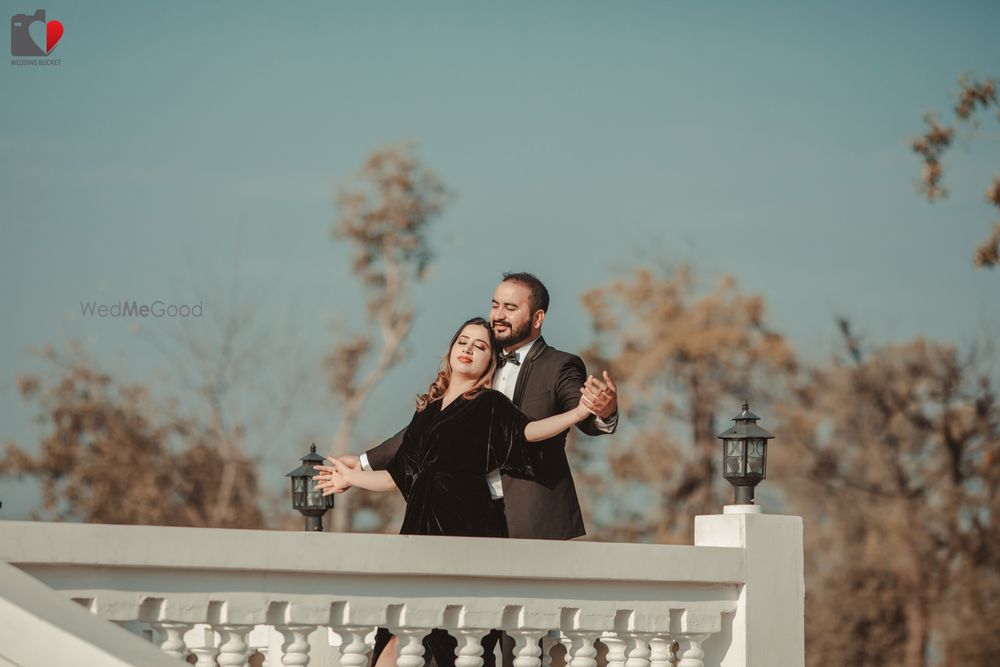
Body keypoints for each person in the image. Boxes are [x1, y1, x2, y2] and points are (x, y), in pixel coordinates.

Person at [314, 316, 600, 667]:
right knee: (391, 643)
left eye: (480, 346)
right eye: (463, 341)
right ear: (451, 350)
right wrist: (351, 478)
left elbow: (529, 432)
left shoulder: (489, 404)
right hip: (418, 536)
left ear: (489, 362)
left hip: (466, 531)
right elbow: (399, 475)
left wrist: (579, 412)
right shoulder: (427, 412)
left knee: (455, 648)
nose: (468, 349)